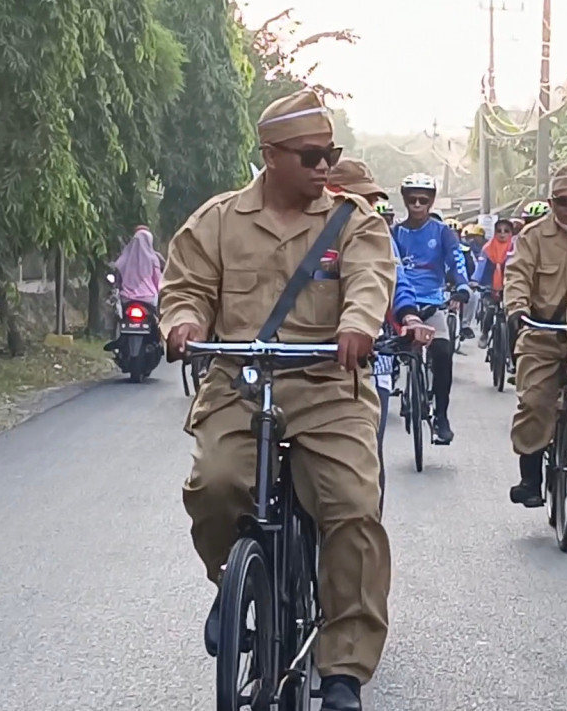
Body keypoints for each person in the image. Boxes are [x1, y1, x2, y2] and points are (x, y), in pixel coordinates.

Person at [160, 88, 394, 711]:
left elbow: (371, 278)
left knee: (352, 508)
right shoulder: (216, 221)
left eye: (331, 153)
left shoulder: (353, 220)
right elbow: (185, 286)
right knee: (214, 485)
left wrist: (358, 324)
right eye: (311, 155)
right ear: (270, 156)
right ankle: (234, 583)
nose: (324, 167)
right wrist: (182, 322)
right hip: (241, 382)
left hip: (326, 385)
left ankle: (343, 666)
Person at [327, 157, 434, 511]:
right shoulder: (298, 232)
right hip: (300, 358)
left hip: (372, 357)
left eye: (371, 201)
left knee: (367, 460)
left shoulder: (377, 236)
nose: (368, 208)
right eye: (358, 199)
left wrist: (409, 318)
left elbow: (395, 283)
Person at [503, 166, 567, 507]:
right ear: (551, 203)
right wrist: (516, 309)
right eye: (563, 201)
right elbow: (518, 275)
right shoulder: (532, 236)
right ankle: (531, 478)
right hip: (541, 331)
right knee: (534, 402)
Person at [391, 173, 471, 444]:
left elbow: (456, 260)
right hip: (400, 307)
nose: (417, 205)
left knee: (443, 351)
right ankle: (400, 385)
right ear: (404, 200)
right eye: (411, 199)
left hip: (432, 304)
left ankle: (441, 415)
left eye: (422, 200)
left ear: (431, 202)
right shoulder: (394, 234)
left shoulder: (443, 233)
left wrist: (462, 286)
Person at [470, 217, 515, 349]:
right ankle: (484, 333)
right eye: (499, 231)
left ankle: (513, 348)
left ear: (511, 233)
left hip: (510, 286)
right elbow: (480, 267)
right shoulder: (487, 248)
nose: (502, 234)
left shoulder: (516, 248)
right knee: (489, 310)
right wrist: (475, 281)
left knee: (514, 316)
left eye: (506, 231)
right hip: (488, 286)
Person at [114, 225, 163, 305]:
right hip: (149, 298)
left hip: (127, 298)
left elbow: (117, 270)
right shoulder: (153, 259)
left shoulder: (126, 257)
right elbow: (158, 281)